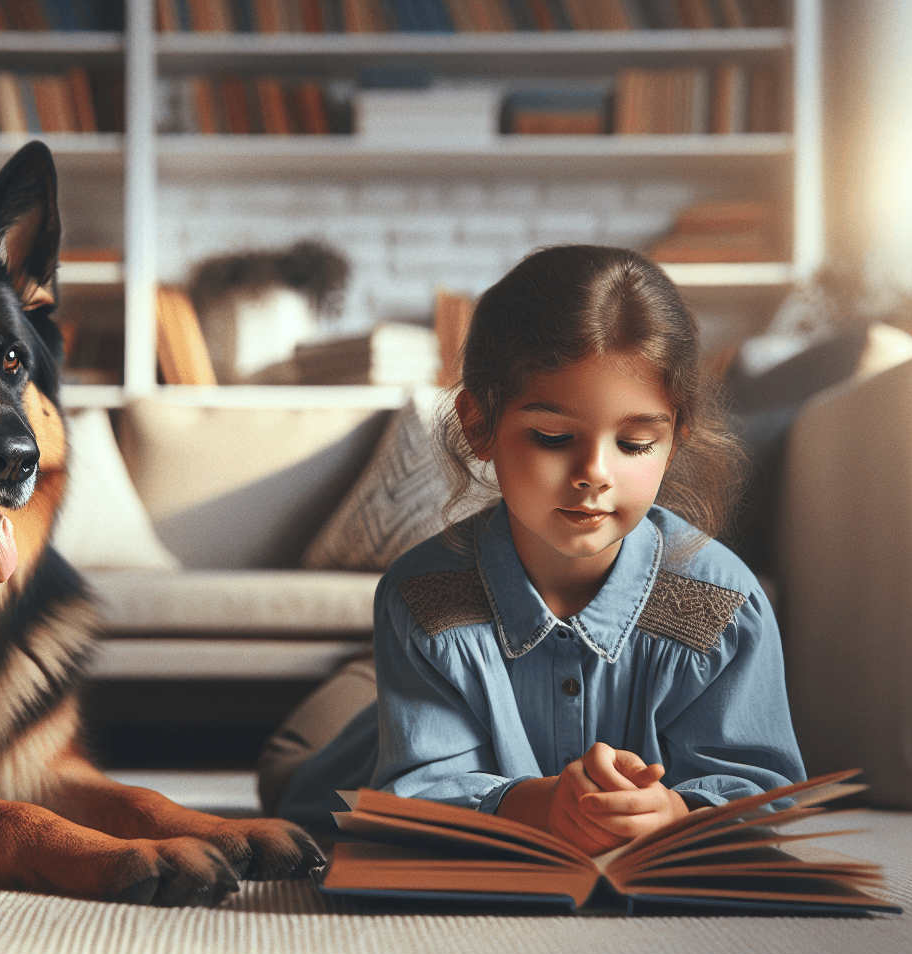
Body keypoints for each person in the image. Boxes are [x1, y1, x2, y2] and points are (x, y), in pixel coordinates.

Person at [265, 245, 804, 855]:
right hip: (357, 737)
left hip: (449, 666)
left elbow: (764, 790)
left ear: (675, 438)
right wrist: (538, 806)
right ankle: (368, 672)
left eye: (634, 443)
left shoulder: (723, 602)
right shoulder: (421, 596)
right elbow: (419, 790)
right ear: (478, 425)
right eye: (553, 437)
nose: (594, 473)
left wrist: (676, 811)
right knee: (291, 779)